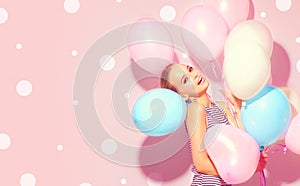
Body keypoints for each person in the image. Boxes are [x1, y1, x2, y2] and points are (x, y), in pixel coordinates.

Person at [160, 63, 268, 186]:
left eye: (190, 69)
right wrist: (242, 170)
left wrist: (237, 107)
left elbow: (242, 144)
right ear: (184, 96)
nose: (194, 75)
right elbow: (200, 163)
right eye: (185, 80)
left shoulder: (221, 107)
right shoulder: (195, 109)